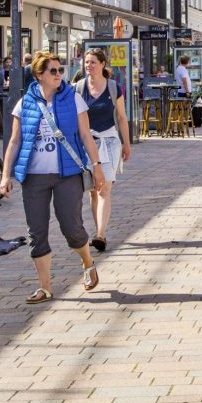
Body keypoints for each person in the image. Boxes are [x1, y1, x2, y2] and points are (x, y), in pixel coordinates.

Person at [0, 51, 106, 304]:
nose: (59, 75)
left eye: (61, 71)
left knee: (72, 227)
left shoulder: (73, 99)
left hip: (66, 174)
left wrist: (97, 165)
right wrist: (5, 175)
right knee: (36, 231)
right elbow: (14, 142)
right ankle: (45, 286)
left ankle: (87, 262)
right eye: (53, 71)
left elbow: (85, 135)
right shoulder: (25, 103)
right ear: (39, 75)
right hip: (34, 176)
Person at [75, 48, 132, 253]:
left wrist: (126, 143)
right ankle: (99, 230)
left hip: (109, 141)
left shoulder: (114, 88)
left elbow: (122, 117)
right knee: (92, 191)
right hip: (86, 142)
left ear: (102, 64)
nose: (88, 66)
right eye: (86, 62)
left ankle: (100, 234)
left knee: (104, 188)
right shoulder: (78, 88)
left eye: (92, 62)